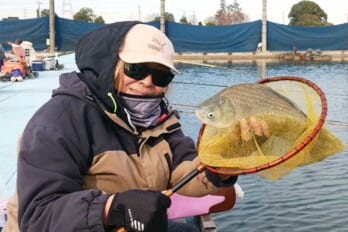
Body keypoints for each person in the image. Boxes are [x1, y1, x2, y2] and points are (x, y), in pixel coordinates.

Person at [3, 21, 268, 232]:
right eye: (136, 69)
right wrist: (110, 208)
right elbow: (37, 216)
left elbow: (184, 174)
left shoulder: (162, 119)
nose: (148, 82)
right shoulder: (60, 121)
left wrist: (220, 168)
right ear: (109, 66)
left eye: (161, 75)